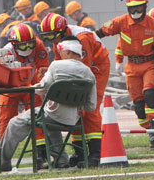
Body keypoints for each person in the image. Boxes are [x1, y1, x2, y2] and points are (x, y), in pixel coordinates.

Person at [0, 36, 96, 171]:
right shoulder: (89, 73)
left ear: (68, 52)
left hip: (53, 115)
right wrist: (73, 105)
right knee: (51, 121)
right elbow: (91, 105)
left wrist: (27, 87)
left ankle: (0, 162)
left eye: (61, 51)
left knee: (14, 123)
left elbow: (40, 89)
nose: (59, 54)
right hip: (73, 119)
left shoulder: (56, 66)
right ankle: (61, 160)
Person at [95, 0, 154, 150]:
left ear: (144, 7)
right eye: (132, 9)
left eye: (139, 8)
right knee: (139, 105)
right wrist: (87, 38)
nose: (136, 12)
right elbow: (101, 32)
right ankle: (148, 125)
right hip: (131, 66)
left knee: (150, 94)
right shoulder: (121, 22)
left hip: (149, 64)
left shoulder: (153, 24)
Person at [40, 12, 110, 167]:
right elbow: (62, 64)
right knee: (74, 106)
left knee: (89, 107)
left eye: (53, 36)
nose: (52, 40)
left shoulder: (82, 39)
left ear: (63, 32)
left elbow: (80, 69)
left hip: (96, 68)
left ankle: (95, 154)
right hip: (83, 69)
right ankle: (80, 152)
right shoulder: (59, 39)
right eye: (48, 37)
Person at [0, 24, 50, 167]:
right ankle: (3, 158)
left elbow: (43, 70)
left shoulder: (38, 45)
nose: (28, 48)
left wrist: (41, 89)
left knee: (38, 115)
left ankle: (41, 154)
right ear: (14, 44)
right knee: (5, 118)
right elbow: (3, 76)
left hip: (31, 85)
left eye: (30, 44)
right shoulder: (6, 52)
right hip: (11, 87)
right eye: (23, 45)